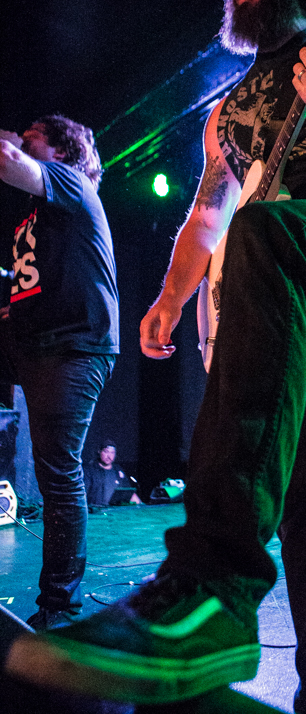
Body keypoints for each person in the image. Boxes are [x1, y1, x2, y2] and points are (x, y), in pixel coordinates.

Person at [6, 0, 306, 712]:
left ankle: (212, 583)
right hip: (287, 282)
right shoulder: (228, 113)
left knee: (266, 231)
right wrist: (170, 297)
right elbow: (208, 217)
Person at [0, 115, 119, 630]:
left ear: (62, 148)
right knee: (55, 466)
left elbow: (8, 159)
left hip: (75, 345)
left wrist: (11, 143)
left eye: (34, 135)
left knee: (58, 469)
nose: (23, 137)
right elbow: (32, 284)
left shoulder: (70, 180)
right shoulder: (38, 212)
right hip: (35, 340)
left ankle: (59, 607)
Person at [84, 440, 142, 507]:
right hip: (96, 510)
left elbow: (128, 492)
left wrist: (142, 506)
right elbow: (82, 493)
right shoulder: (89, 470)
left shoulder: (118, 470)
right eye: (106, 452)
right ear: (99, 452)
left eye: (112, 453)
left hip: (114, 511)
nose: (109, 456)